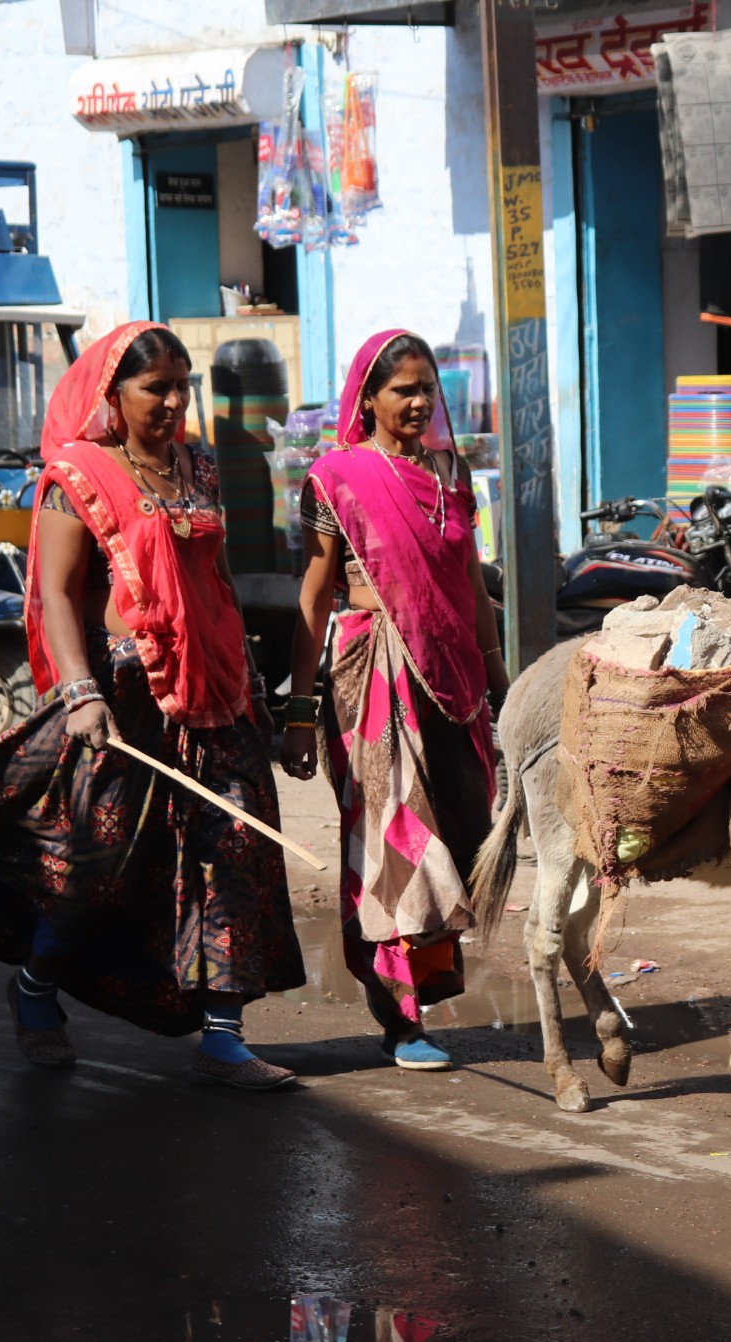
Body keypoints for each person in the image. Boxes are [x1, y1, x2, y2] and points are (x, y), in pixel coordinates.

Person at [0, 321, 306, 1090]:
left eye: (185, 386)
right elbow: (53, 593)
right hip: (123, 699)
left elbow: (215, 584)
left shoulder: (200, 467)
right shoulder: (75, 474)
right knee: (91, 864)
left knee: (234, 854)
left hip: (218, 693)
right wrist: (80, 694)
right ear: (114, 394)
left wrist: (262, 695)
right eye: (159, 387)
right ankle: (35, 985)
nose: (176, 402)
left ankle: (223, 1039)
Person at [280, 330, 508, 1071]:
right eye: (401, 389)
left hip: (452, 677)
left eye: (425, 388)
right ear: (367, 398)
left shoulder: (451, 471)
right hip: (374, 673)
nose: (416, 402)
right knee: (395, 837)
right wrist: (298, 710)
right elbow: (314, 602)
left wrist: (502, 678)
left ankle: (426, 991)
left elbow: (470, 583)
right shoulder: (338, 478)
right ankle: (398, 1018)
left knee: (464, 832)